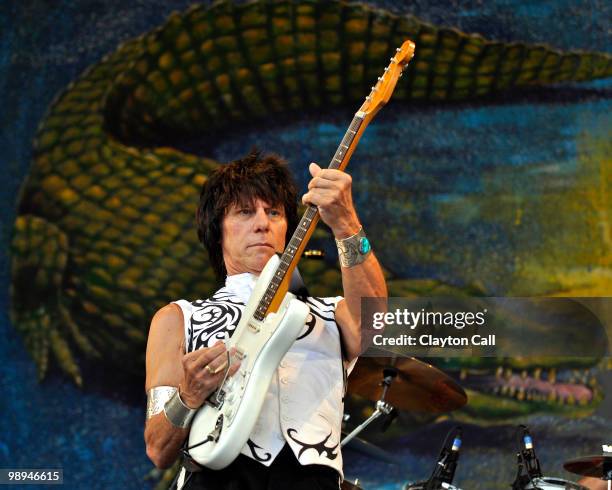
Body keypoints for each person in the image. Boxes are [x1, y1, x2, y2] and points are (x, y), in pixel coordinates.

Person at [144, 150, 387, 489]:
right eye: (245, 212)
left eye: (274, 212)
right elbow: (157, 448)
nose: (262, 223)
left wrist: (347, 223)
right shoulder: (179, 317)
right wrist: (188, 394)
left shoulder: (331, 314)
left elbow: (373, 326)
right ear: (218, 231)